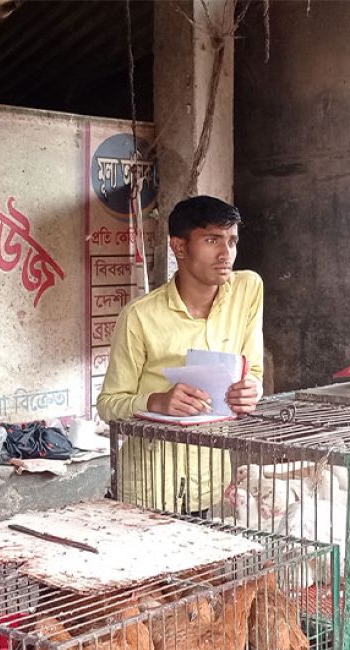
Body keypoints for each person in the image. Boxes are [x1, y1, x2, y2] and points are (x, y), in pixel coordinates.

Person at [96, 195, 264, 513]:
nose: (225, 253)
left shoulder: (248, 290)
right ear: (180, 247)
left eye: (232, 241)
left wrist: (252, 388)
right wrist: (155, 402)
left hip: (209, 479)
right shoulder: (140, 316)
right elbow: (107, 405)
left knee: (204, 562)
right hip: (150, 485)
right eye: (212, 240)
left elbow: (252, 368)